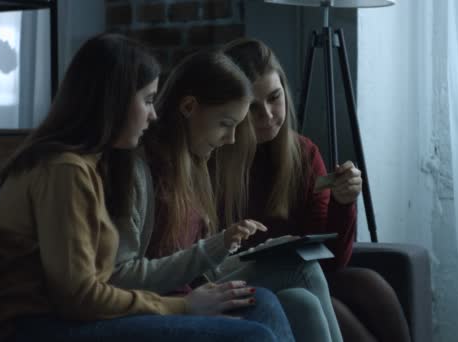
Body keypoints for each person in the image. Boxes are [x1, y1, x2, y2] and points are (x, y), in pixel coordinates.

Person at [0, 33, 293, 342]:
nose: (154, 115)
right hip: (36, 327)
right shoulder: (64, 170)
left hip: (66, 317)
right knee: (254, 337)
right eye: (148, 100)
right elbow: (78, 297)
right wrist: (182, 306)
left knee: (259, 303)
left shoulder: (90, 166)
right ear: (115, 102)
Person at [139, 49, 343, 342]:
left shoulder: (195, 160)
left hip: (199, 280)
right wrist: (218, 246)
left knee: (303, 302)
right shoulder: (153, 168)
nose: (231, 137)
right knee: (303, 270)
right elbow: (148, 268)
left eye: (275, 98)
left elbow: (336, 259)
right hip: (182, 292)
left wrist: (231, 246)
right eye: (227, 124)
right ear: (188, 107)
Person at [219, 37, 412, 342]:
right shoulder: (217, 156)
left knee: (371, 284)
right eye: (253, 108)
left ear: (285, 91)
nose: (268, 115)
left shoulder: (303, 154)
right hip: (246, 277)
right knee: (330, 309)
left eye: (274, 97)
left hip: (305, 273)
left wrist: (342, 202)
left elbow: (333, 262)